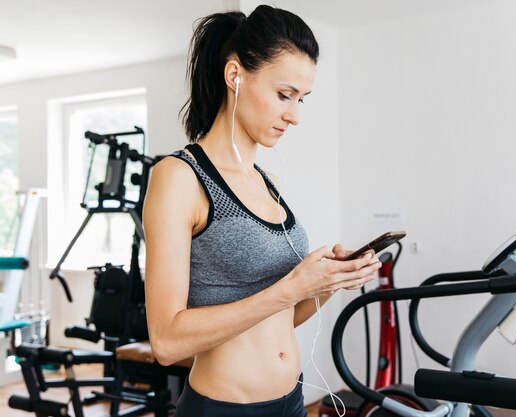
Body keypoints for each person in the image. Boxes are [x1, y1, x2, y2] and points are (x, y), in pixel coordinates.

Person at [143, 5, 382, 417]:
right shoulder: (179, 177)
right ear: (235, 75)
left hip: (291, 400)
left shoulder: (265, 180)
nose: (295, 115)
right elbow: (167, 342)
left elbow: (278, 317)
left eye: (302, 99)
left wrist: (325, 282)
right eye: (284, 95)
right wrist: (290, 287)